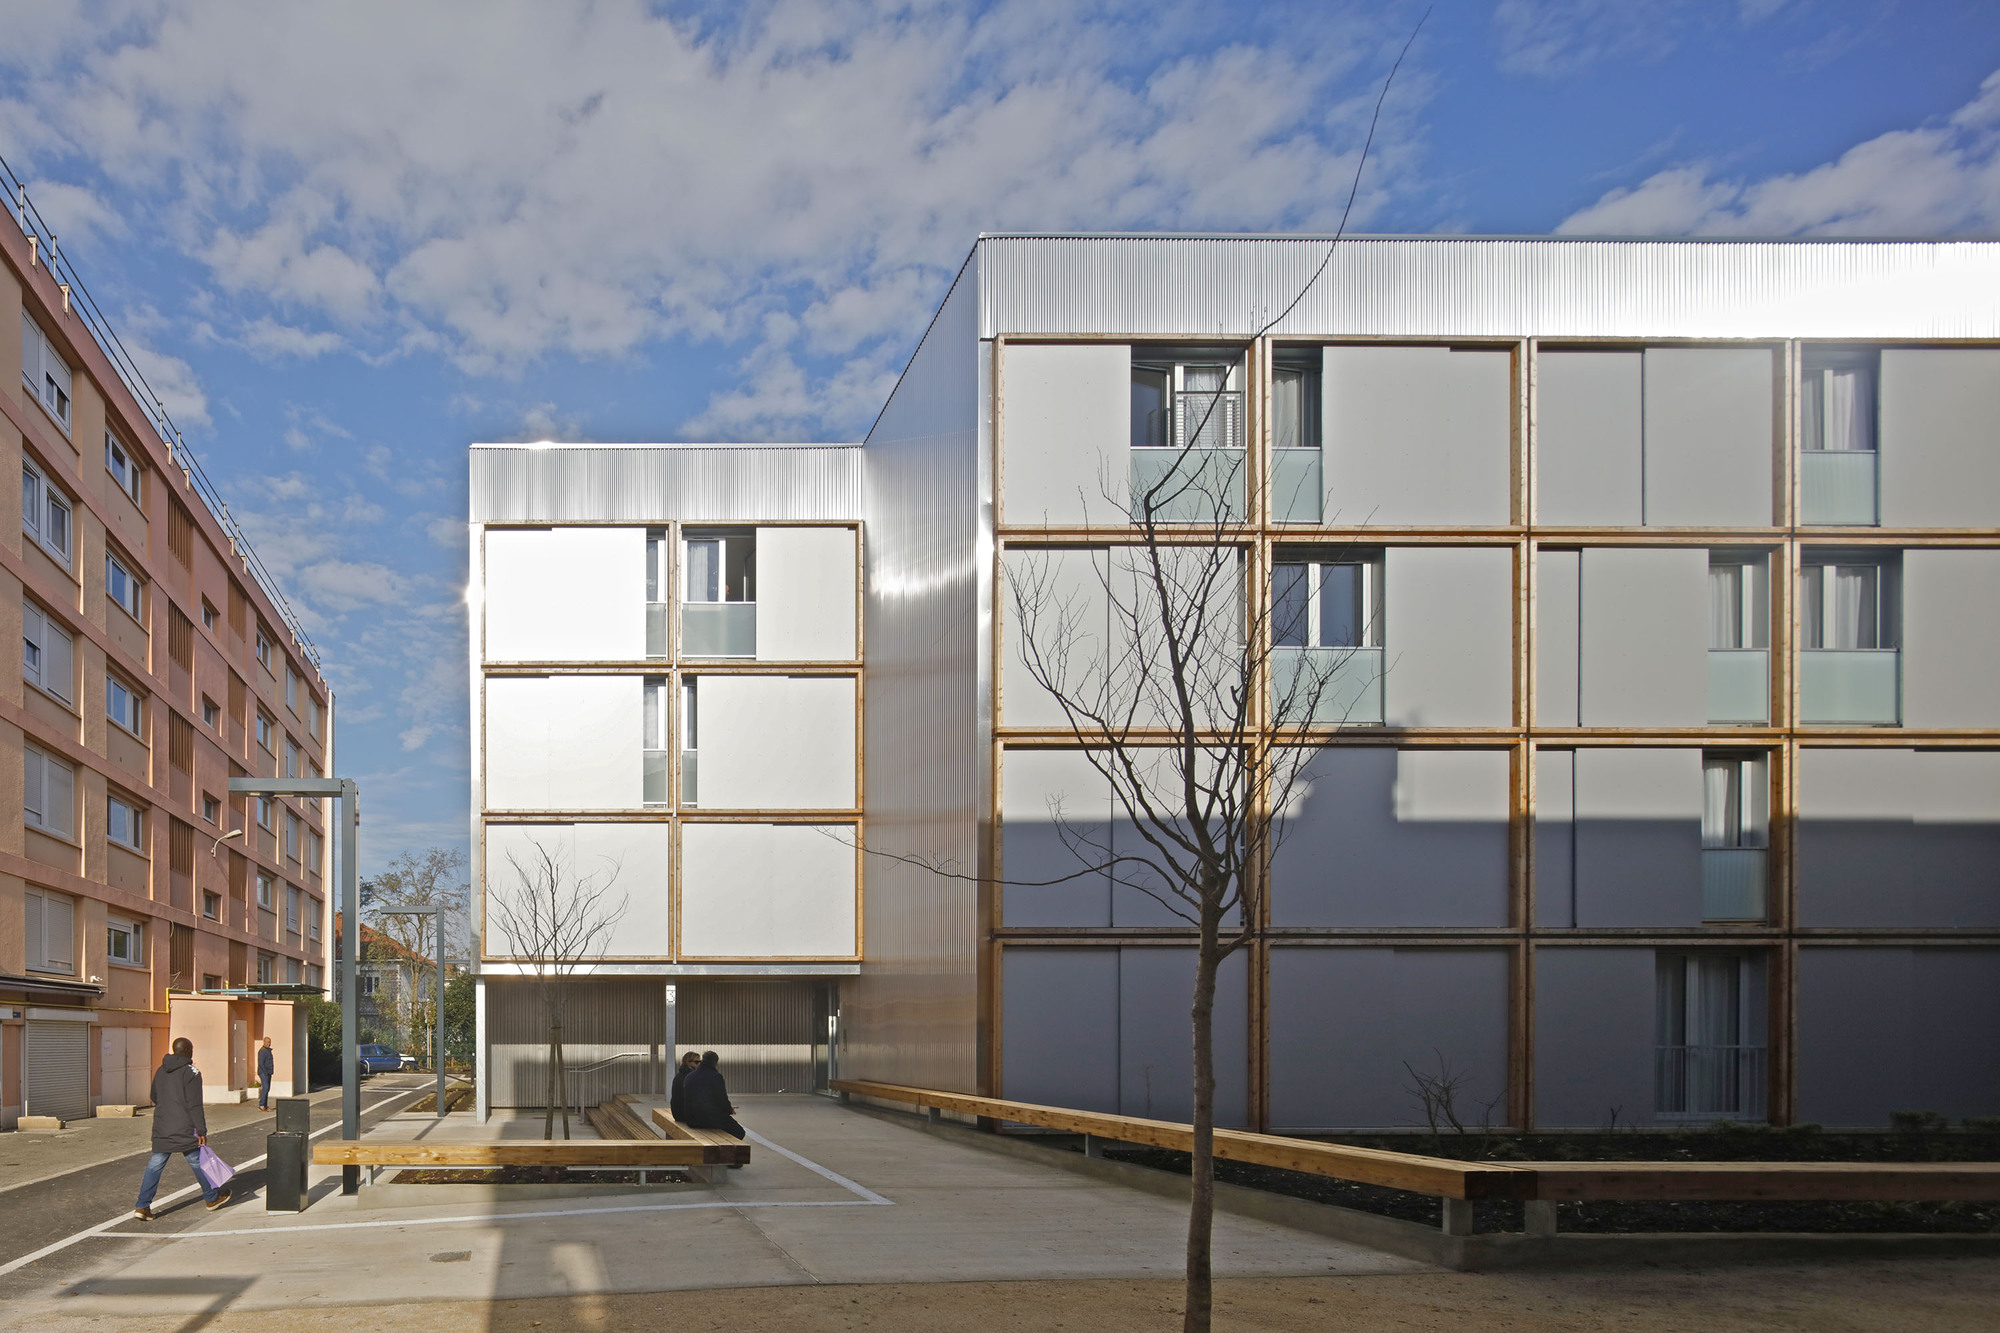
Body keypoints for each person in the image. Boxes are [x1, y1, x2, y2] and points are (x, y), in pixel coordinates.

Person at [133, 1037, 229, 1219]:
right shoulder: (191, 1072)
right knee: (196, 1161)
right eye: (191, 1049)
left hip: (162, 1125)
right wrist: (201, 1130)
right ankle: (211, 1197)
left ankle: (142, 1206)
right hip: (184, 1126)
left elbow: (153, 1095)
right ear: (187, 1051)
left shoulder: (161, 1070)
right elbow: (195, 1104)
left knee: (155, 1165)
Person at [679, 1050, 745, 1140]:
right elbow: (722, 1099)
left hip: (692, 1119)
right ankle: (723, 1151)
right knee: (739, 1131)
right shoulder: (716, 1077)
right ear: (715, 1063)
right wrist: (729, 1110)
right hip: (708, 1119)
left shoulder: (690, 1076)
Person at [668, 1050, 701, 1123]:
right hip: (684, 1115)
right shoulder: (691, 1077)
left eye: (700, 1062)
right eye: (696, 1062)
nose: (699, 1064)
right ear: (688, 1062)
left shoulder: (680, 1074)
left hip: (677, 1113)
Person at [256, 1037, 275, 1111]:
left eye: (269, 1042)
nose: (268, 1044)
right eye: (267, 1042)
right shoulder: (262, 1051)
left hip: (268, 1072)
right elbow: (261, 1063)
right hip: (263, 1073)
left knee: (267, 1089)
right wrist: (265, 1072)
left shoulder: (268, 1051)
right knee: (265, 1088)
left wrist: (270, 1071)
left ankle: (265, 1106)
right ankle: (261, 1105)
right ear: (264, 1042)